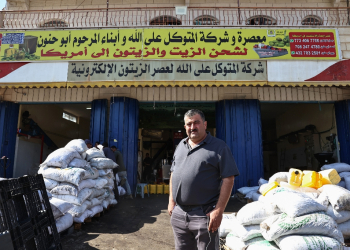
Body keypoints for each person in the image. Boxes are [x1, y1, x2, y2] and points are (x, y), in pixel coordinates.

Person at [168, 109, 240, 250]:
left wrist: (219, 211)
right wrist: (171, 201)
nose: (193, 127)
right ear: (185, 127)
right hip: (179, 214)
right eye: (189, 124)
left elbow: (228, 179)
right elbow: (173, 173)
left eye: (196, 122)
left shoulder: (219, 147)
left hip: (203, 215)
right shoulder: (181, 145)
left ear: (205, 124)